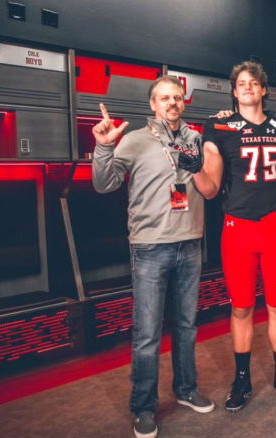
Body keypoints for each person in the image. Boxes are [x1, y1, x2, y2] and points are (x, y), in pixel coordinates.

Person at [92, 76, 214, 438]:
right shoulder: (134, 140)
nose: (172, 103)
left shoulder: (195, 139)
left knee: (187, 326)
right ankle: (143, 407)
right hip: (149, 246)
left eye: (177, 97)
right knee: (147, 334)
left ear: (184, 103)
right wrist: (102, 147)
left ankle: (186, 389)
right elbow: (104, 183)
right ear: (153, 104)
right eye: (165, 98)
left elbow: (210, 183)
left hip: (190, 242)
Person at [198, 61, 276, 412]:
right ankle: (241, 377)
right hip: (237, 226)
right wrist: (196, 167)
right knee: (241, 307)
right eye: (240, 83)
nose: (246, 87)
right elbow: (212, 183)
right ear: (233, 90)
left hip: (274, 223)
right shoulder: (219, 125)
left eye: (252, 83)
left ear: (263, 89)